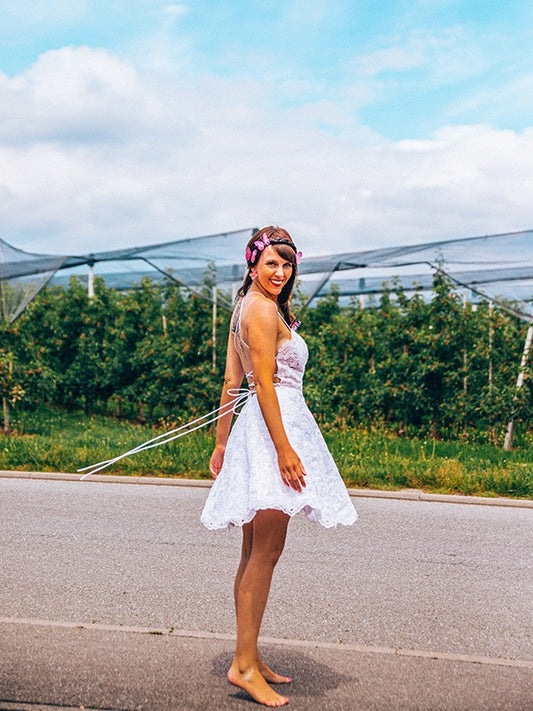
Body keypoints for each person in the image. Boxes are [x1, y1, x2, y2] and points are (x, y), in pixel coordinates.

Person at [201, 226, 357, 707]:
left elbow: (231, 381)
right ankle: (244, 666)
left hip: (259, 429)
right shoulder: (264, 309)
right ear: (253, 265)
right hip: (275, 430)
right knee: (265, 552)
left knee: (253, 552)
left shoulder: (244, 308)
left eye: (287, 264)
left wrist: (222, 443)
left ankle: (249, 655)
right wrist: (284, 450)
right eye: (272, 262)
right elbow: (263, 384)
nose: (281, 272)